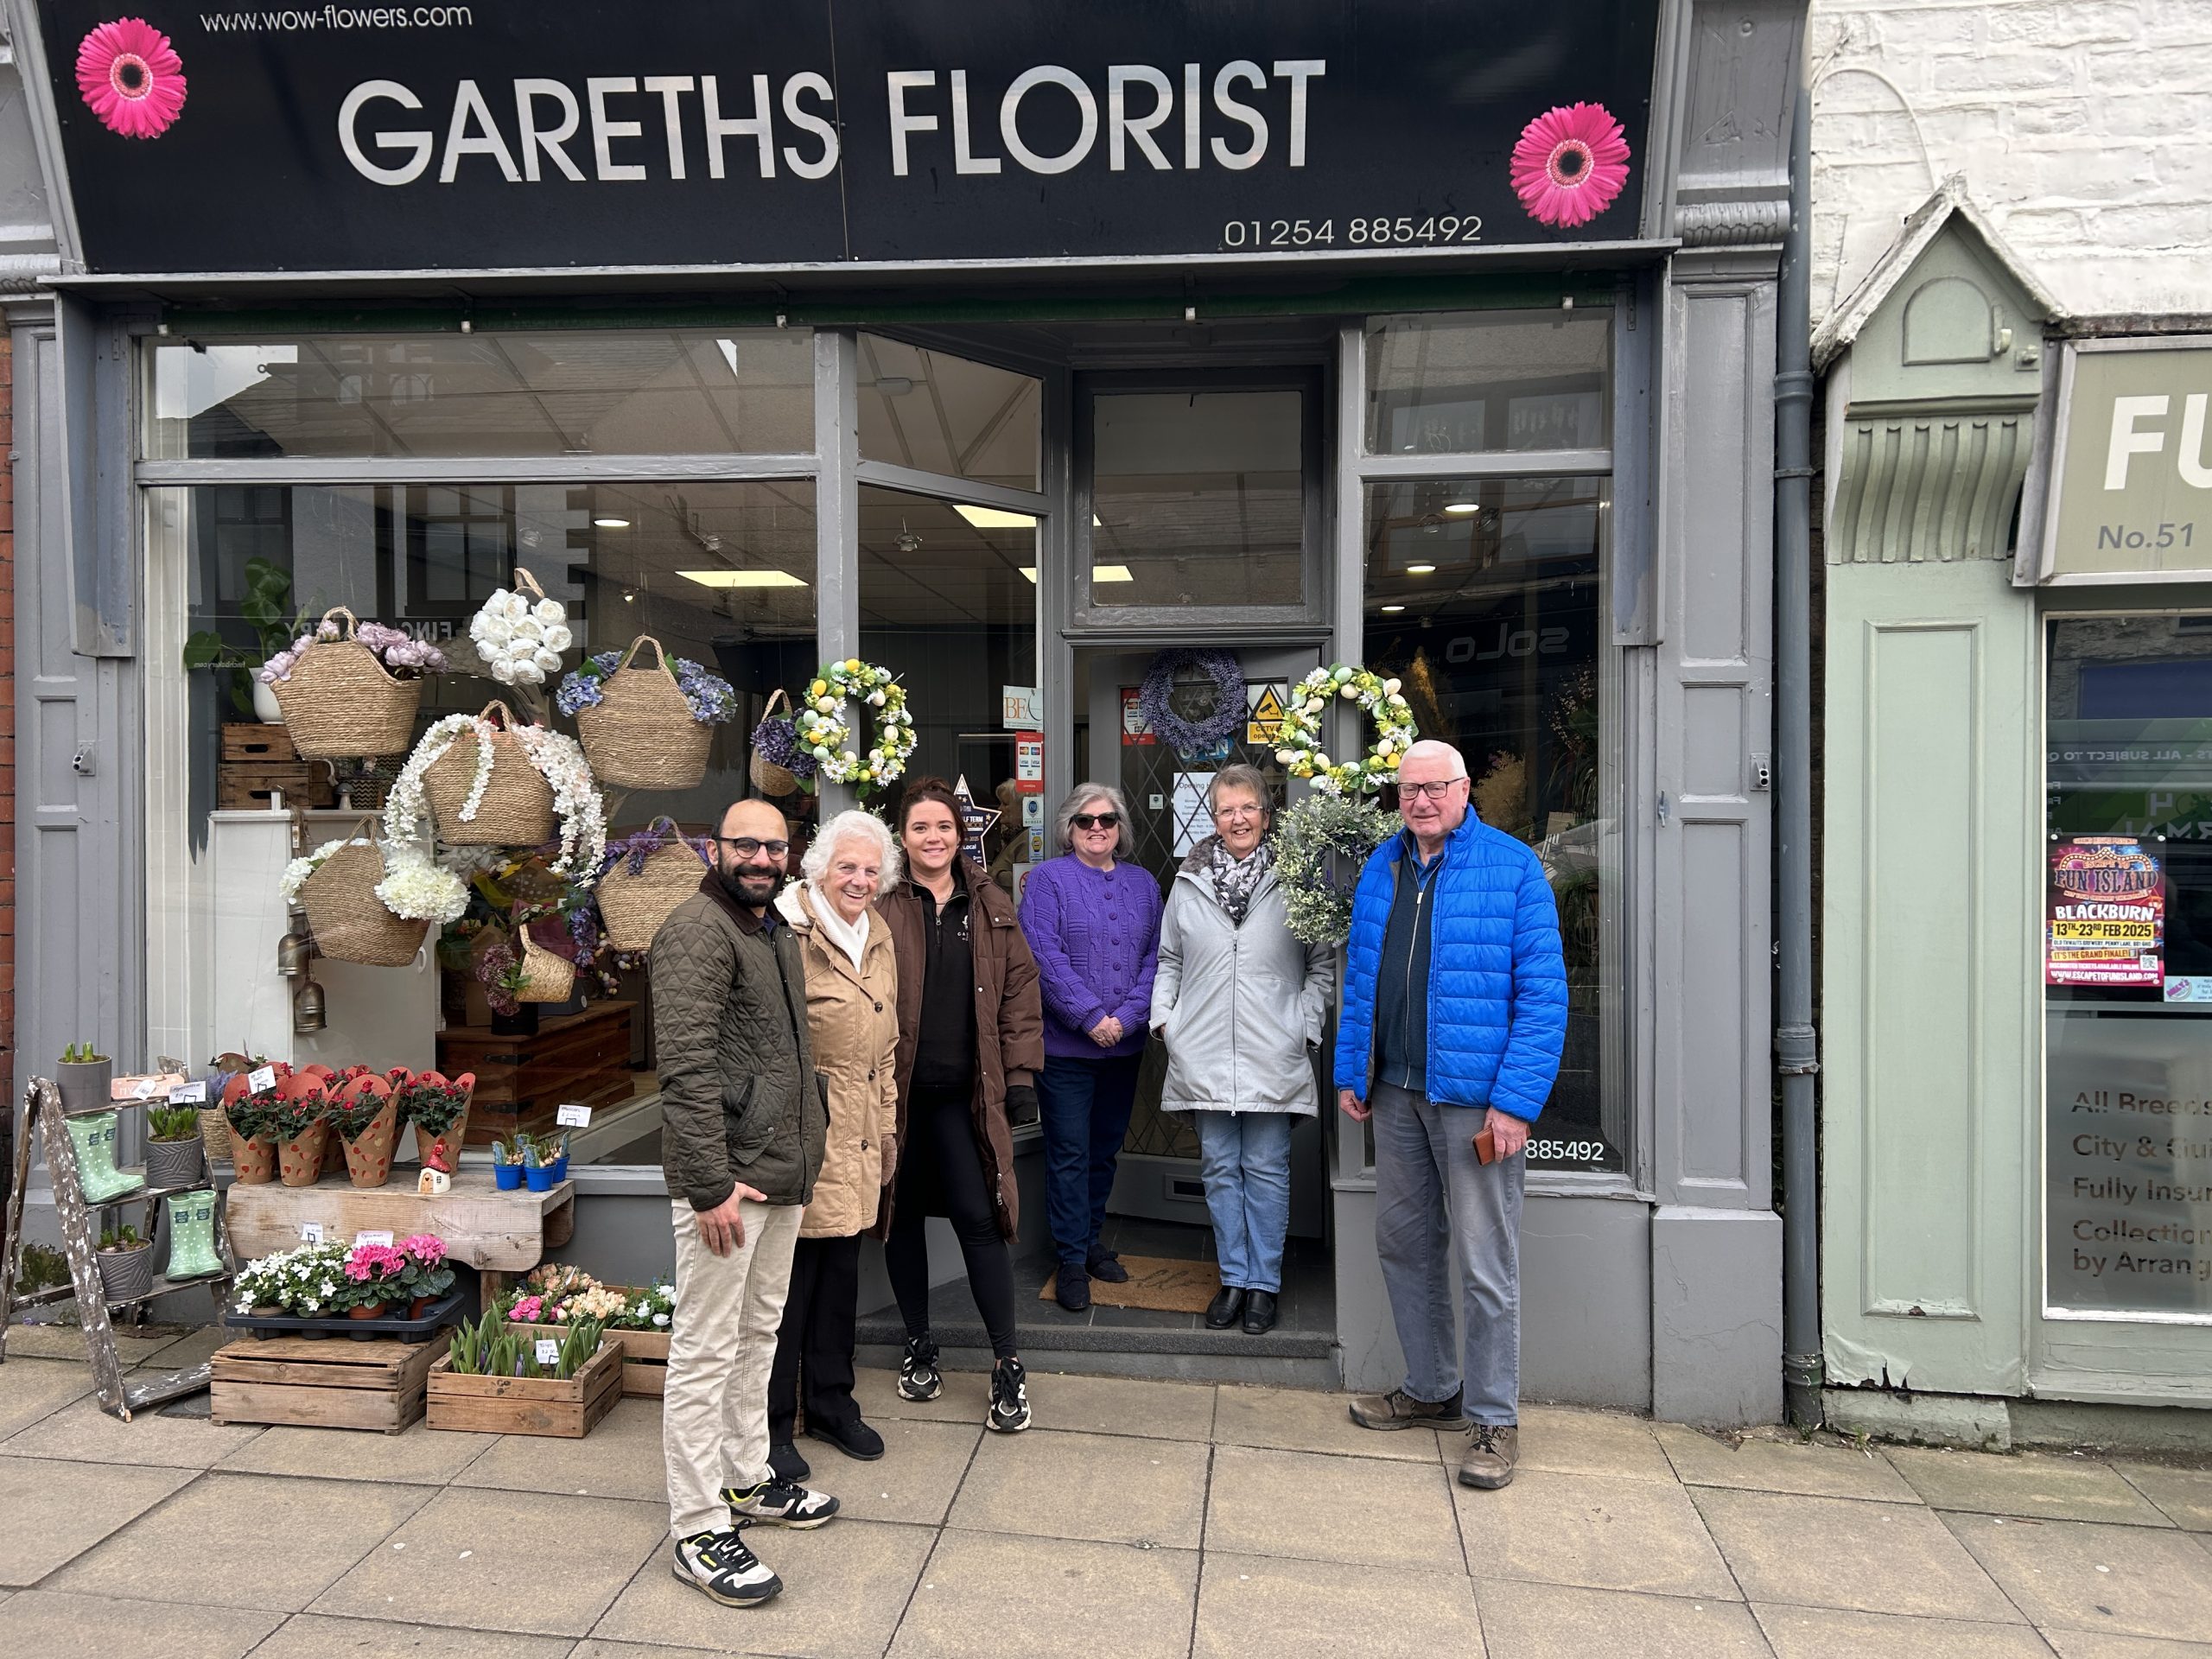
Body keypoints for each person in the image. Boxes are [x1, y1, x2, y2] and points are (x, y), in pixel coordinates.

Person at [1334, 739, 1567, 1491]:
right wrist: (1353, 1070)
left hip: (1474, 1101)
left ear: (1466, 790)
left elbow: (1543, 998)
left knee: (1484, 1264)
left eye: (1435, 788)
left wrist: (1514, 1104)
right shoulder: (1384, 865)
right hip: (1397, 1093)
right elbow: (1361, 978)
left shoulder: (1513, 868)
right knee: (1404, 1244)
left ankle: (1494, 1420)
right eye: (1408, 791)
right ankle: (1433, 1389)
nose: (1421, 801)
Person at [652, 798, 842, 1609]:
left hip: (779, 1171)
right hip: (727, 1184)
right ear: (715, 848)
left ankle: (745, 1480)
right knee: (704, 1349)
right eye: (746, 846)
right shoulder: (698, 930)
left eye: (775, 846)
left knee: (757, 1333)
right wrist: (707, 1185)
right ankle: (697, 1530)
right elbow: (684, 1069)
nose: (762, 858)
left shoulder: (772, 931)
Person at [878, 777, 1046, 1433]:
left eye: (943, 827)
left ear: (961, 833)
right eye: (920, 828)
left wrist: (1022, 1077)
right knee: (902, 1219)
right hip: (896, 1098)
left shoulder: (991, 903)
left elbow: (1019, 995)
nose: (933, 838)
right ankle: (919, 1345)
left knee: (982, 1221)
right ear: (903, 837)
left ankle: (1007, 1362)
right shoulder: (884, 905)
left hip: (965, 1099)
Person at [1152, 765, 1332, 1336]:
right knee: (1221, 1169)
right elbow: (1170, 961)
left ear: (1265, 814)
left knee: (1266, 1168)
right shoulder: (1188, 882)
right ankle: (1233, 1279)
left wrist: (1303, 1025)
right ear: (1214, 817)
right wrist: (1166, 1021)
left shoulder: (1295, 878)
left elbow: (1321, 964)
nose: (1238, 819)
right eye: (1227, 809)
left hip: (1271, 1047)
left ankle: (1264, 1285)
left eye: (1247, 808)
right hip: (1203, 1048)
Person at [766, 810, 901, 1479]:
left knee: (839, 1278)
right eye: (847, 866)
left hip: (859, 1139)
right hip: (803, 1135)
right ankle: (770, 1426)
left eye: (871, 870)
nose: (859, 880)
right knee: (787, 1289)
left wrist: (888, 1130)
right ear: (818, 867)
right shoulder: (787, 931)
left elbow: (888, 1049)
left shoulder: (876, 933)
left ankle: (830, 1404)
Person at [1019, 782, 1164, 1313]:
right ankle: (1071, 1259)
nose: (1097, 828)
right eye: (1085, 821)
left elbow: (1157, 957)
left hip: (1122, 1049)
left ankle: (1091, 1240)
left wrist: (1125, 1019)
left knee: (1103, 1151)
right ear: (1069, 828)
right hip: (1066, 1051)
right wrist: (1088, 1017)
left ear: (1120, 827)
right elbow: (1042, 956)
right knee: (1070, 1154)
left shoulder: (1145, 884)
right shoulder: (1048, 882)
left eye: (1107, 819)